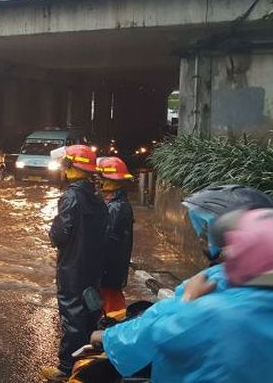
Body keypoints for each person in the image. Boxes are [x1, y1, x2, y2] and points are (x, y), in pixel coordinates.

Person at [90, 185, 273, 380]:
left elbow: (162, 331)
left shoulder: (216, 303)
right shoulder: (241, 285)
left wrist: (108, 338)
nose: (203, 237)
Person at [41, 145, 108, 382]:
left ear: (71, 166)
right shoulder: (97, 197)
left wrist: (53, 229)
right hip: (92, 268)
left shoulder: (71, 196)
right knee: (90, 312)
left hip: (73, 268)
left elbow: (60, 234)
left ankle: (67, 368)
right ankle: (87, 361)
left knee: (72, 316)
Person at [97, 156, 135, 314]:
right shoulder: (115, 203)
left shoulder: (116, 207)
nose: (100, 183)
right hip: (112, 268)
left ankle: (114, 329)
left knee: (112, 304)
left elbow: (107, 240)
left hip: (110, 268)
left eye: (102, 179)